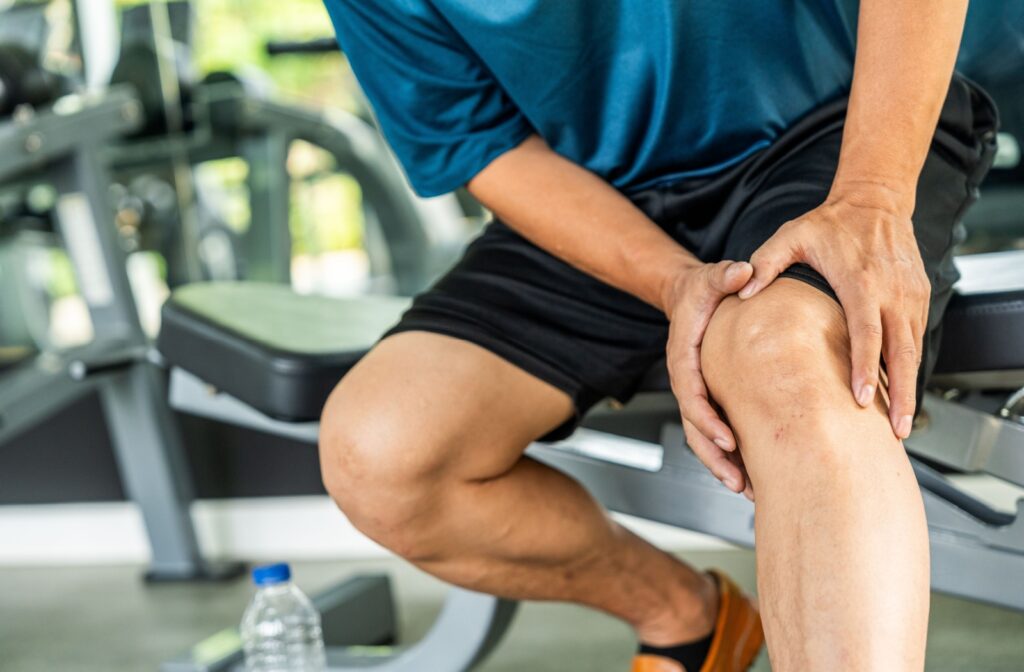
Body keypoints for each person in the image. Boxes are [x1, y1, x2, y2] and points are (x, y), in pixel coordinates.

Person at [318, 2, 997, 670]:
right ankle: (689, 619)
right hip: (595, 192)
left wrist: (872, 195)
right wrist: (675, 284)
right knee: (380, 453)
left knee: (785, 356)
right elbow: (483, 145)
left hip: (831, 133)